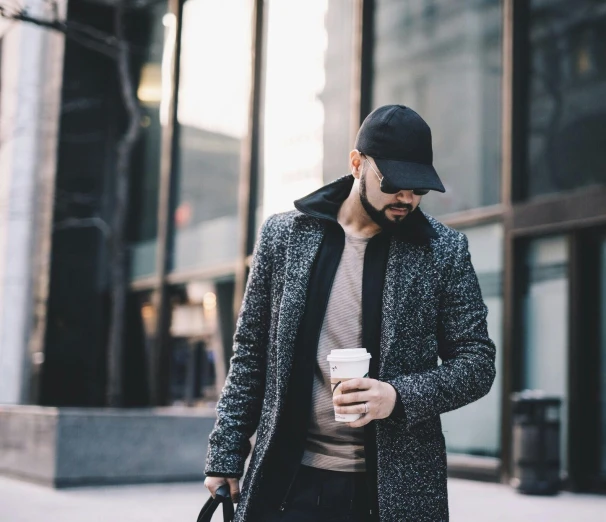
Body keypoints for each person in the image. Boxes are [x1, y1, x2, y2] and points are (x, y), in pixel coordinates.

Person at [203, 105, 496, 521]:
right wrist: (226, 453)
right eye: (395, 184)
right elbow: (251, 352)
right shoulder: (283, 237)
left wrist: (396, 397)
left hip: (395, 493)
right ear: (357, 163)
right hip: (288, 482)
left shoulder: (442, 252)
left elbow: (477, 364)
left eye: (419, 189)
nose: (407, 198)